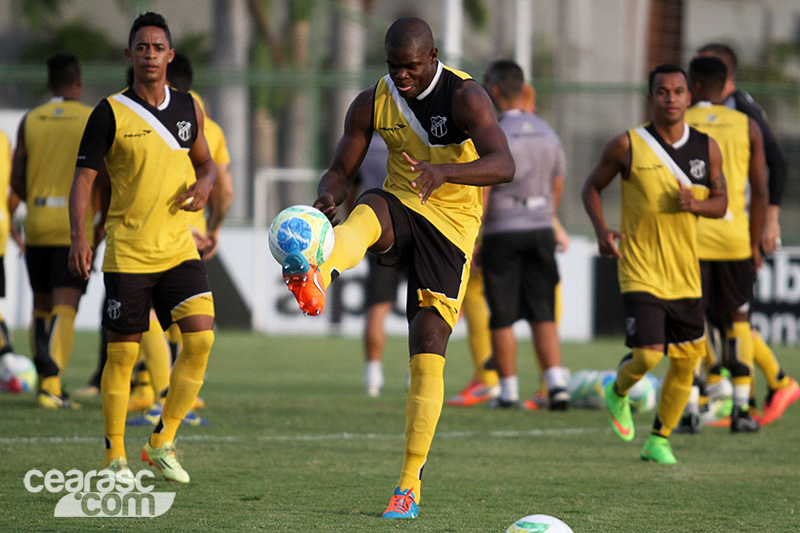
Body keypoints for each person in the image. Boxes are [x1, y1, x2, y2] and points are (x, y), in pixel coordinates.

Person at [281, 17, 514, 518]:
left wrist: (445, 171)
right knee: (369, 206)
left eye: (410, 66)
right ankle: (318, 272)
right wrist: (327, 197)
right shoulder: (372, 101)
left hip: (452, 228)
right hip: (403, 202)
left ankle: (408, 486)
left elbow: (504, 164)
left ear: (432, 57)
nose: (401, 75)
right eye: (393, 66)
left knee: (428, 349)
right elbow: (340, 171)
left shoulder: (466, 97)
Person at [69, 12, 217, 484]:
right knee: (121, 357)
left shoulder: (189, 107)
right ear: (129, 54)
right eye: (142, 47)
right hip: (128, 251)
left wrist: (206, 185)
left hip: (178, 248)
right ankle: (115, 456)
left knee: (201, 338)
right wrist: (80, 236)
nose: (150, 54)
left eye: (157, 47)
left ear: (170, 55)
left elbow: (207, 164)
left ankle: (162, 441)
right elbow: (83, 180)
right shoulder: (109, 112)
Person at [582, 64, 727, 464]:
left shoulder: (707, 148)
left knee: (686, 362)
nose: (671, 99)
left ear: (689, 97)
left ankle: (659, 439)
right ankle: (617, 391)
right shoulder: (627, 145)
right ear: (651, 98)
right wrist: (601, 231)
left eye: (678, 91)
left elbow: (722, 203)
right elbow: (591, 187)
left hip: (686, 274)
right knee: (648, 355)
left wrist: (696, 204)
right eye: (663, 92)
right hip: (640, 268)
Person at [696, 43, 799, 424]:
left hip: (739, 225)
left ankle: (770, 383)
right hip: (723, 225)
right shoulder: (721, 112)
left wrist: (770, 220)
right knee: (723, 315)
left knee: (730, 315)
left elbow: (777, 164)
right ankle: (742, 392)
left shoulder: (742, 110)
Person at [680, 56, 767, 433]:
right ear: (724, 83)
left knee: (691, 321)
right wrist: (755, 242)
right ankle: (743, 409)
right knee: (738, 320)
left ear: (695, 86)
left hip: (691, 238)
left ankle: (692, 408)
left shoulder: (681, 124)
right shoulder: (748, 125)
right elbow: (760, 189)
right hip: (735, 239)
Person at [9, 52, 101, 409]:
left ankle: (42, 378)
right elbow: (102, 176)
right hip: (72, 226)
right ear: (78, 82)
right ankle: (51, 384)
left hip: (37, 222)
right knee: (67, 305)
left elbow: (17, 175)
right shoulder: (91, 117)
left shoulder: (31, 119)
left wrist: (35, 197)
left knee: (41, 304)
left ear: (49, 84)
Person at [479, 60, 569, 411]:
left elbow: (485, 188)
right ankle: (556, 385)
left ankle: (508, 392)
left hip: (502, 229)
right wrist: (546, 215)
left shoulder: (495, 133)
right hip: (541, 226)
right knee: (543, 310)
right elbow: (558, 180)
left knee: (501, 313)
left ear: (495, 90)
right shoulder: (548, 132)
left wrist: (477, 238)